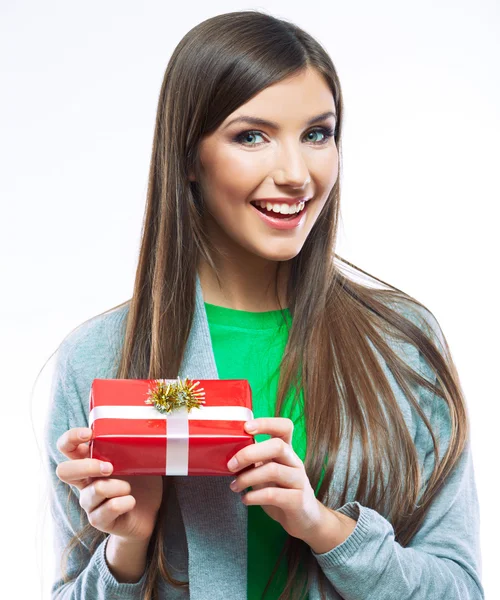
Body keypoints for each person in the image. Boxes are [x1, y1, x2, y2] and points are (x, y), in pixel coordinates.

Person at [43, 9, 484, 600]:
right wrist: (128, 548)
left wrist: (324, 527)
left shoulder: (401, 342)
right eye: (251, 136)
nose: (296, 174)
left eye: (317, 134)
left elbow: (459, 590)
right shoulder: (99, 356)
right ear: (190, 158)